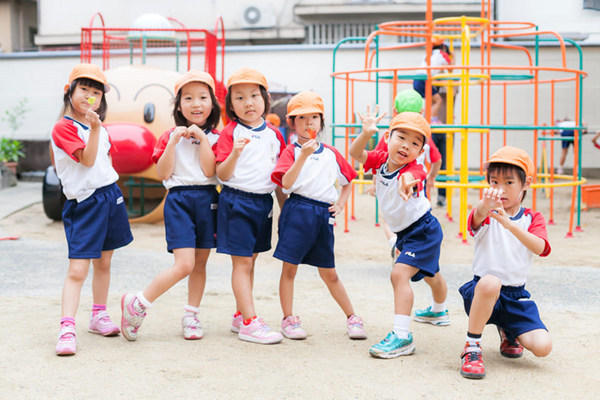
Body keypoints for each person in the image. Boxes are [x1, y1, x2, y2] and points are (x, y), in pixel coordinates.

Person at [120, 71, 221, 341]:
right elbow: (164, 172)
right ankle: (139, 302)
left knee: (200, 264)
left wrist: (201, 138)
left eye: (202, 97)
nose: (195, 103)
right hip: (179, 201)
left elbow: (210, 168)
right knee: (184, 264)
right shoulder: (168, 136)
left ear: (212, 103)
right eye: (188, 98)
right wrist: (174, 142)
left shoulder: (217, 138)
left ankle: (191, 315)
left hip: (208, 199)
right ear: (178, 105)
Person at [350, 109, 449, 358]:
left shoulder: (415, 169)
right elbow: (355, 154)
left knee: (399, 274)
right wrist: (365, 134)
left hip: (423, 230)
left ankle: (402, 336)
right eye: (401, 137)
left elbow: (414, 177)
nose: (406, 146)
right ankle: (439, 311)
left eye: (415, 143)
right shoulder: (381, 159)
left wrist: (407, 183)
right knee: (431, 273)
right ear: (387, 137)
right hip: (407, 232)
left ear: (420, 151)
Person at [51, 63, 133, 355]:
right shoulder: (64, 127)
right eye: (83, 89)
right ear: (69, 91)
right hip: (84, 203)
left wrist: (97, 129)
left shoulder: (98, 128)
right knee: (77, 269)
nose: (89, 96)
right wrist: (96, 129)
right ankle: (67, 327)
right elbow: (86, 160)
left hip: (109, 197)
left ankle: (98, 315)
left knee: (105, 262)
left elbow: (104, 164)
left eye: (96, 92)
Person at [270, 91, 366, 340]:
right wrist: (302, 156)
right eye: (301, 118)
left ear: (321, 121)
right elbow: (286, 185)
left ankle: (352, 316)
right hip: (297, 211)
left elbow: (348, 181)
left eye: (314, 117)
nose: (308, 122)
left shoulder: (331, 153)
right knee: (289, 268)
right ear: (292, 122)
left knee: (329, 271)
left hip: (323, 215)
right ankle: (288, 318)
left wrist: (342, 204)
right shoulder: (291, 152)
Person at [458, 146, 552, 379]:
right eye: (494, 182)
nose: (500, 189)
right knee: (491, 282)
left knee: (543, 347)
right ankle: (472, 346)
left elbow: (540, 248)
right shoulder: (486, 211)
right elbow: (477, 217)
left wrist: (509, 224)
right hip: (483, 291)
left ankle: (509, 331)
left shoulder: (532, 218)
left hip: (516, 296)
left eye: (509, 183)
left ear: (526, 184)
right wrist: (485, 207)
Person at [215, 67, 287, 344]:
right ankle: (249, 322)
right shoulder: (230, 133)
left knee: (252, 259)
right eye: (240, 98)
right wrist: (235, 152)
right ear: (231, 105)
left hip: (263, 202)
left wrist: (284, 209)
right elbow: (222, 174)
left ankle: (240, 313)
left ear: (265, 99)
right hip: (237, 200)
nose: (248, 103)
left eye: (254, 96)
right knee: (242, 262)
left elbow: (279, 177)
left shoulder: (274, 134)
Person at [373, 90, 442, 258]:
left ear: (395, 112)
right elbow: (437, 159)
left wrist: (375, 181)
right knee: (418, 215)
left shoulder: (391, 137)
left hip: (404, 182)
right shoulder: (424, 135)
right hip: (418, 184)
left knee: (390, 219)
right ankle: (406, 249)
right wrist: (432, 177)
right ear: (421, 113)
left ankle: (397, 246)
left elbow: (378, 161)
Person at [413, 37, 452, 125]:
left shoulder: (428, 54)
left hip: (417, 78)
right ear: (443, 47)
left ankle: (427, 119)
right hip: (424, 78)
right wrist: (452, 55)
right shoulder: (442, 54)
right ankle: (433, 120)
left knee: (431, 101)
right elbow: (451, 69)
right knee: (438, 100)